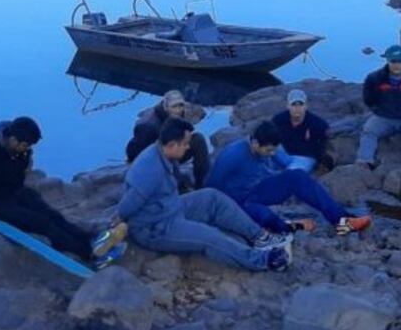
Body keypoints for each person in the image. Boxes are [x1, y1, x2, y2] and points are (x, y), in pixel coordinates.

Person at [118, 118, 292, 272]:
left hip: (171, 207)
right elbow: (126, 207)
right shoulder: (150, 169)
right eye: (185, 143)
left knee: (211, 197)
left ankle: (260, 237)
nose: (188, 147)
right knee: (209, 236)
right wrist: (117, 226)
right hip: (155, 227)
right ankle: (264, 260)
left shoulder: (162, 152)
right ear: (172, 145)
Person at [0, 116, 127, 269]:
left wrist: (16, 183)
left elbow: (16, 179)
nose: (28, 149)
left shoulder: (20, 152)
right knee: (41, 222)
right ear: (13, 139)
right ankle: (88, 253)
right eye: (26, 145)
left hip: (11, 191)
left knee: (51, 214)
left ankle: (89, 239)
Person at [206, 122, 371, 235]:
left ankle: (341, 221)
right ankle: (291, 226)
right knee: (265, 217)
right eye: (269, 151)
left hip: (258, 189)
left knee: (297, 176)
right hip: (237, 202)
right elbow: (211, 189)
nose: (272, 154)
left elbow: (287, 164)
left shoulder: (269, 147)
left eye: (274, 150)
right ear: (255, 143)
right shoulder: (232, 155)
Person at [125, 90, 210, 189]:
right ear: (165, 107)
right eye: (174, 106)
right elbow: (138, 154)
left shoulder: (177, 115)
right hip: (153, 158)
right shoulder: (148, 126)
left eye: (181, 105)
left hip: (172, 150)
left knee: (198, 140)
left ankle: (200, 183)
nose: (178, 109)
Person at [271, 89, 334, 173]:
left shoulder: (318, 124)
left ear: (306, 106)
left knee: (290, 174)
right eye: (294, 104)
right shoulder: (278, 120)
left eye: (300, 104)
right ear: (288, 106)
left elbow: (325, 145)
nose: (297, 108)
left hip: (305, 157)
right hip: (284, 154)